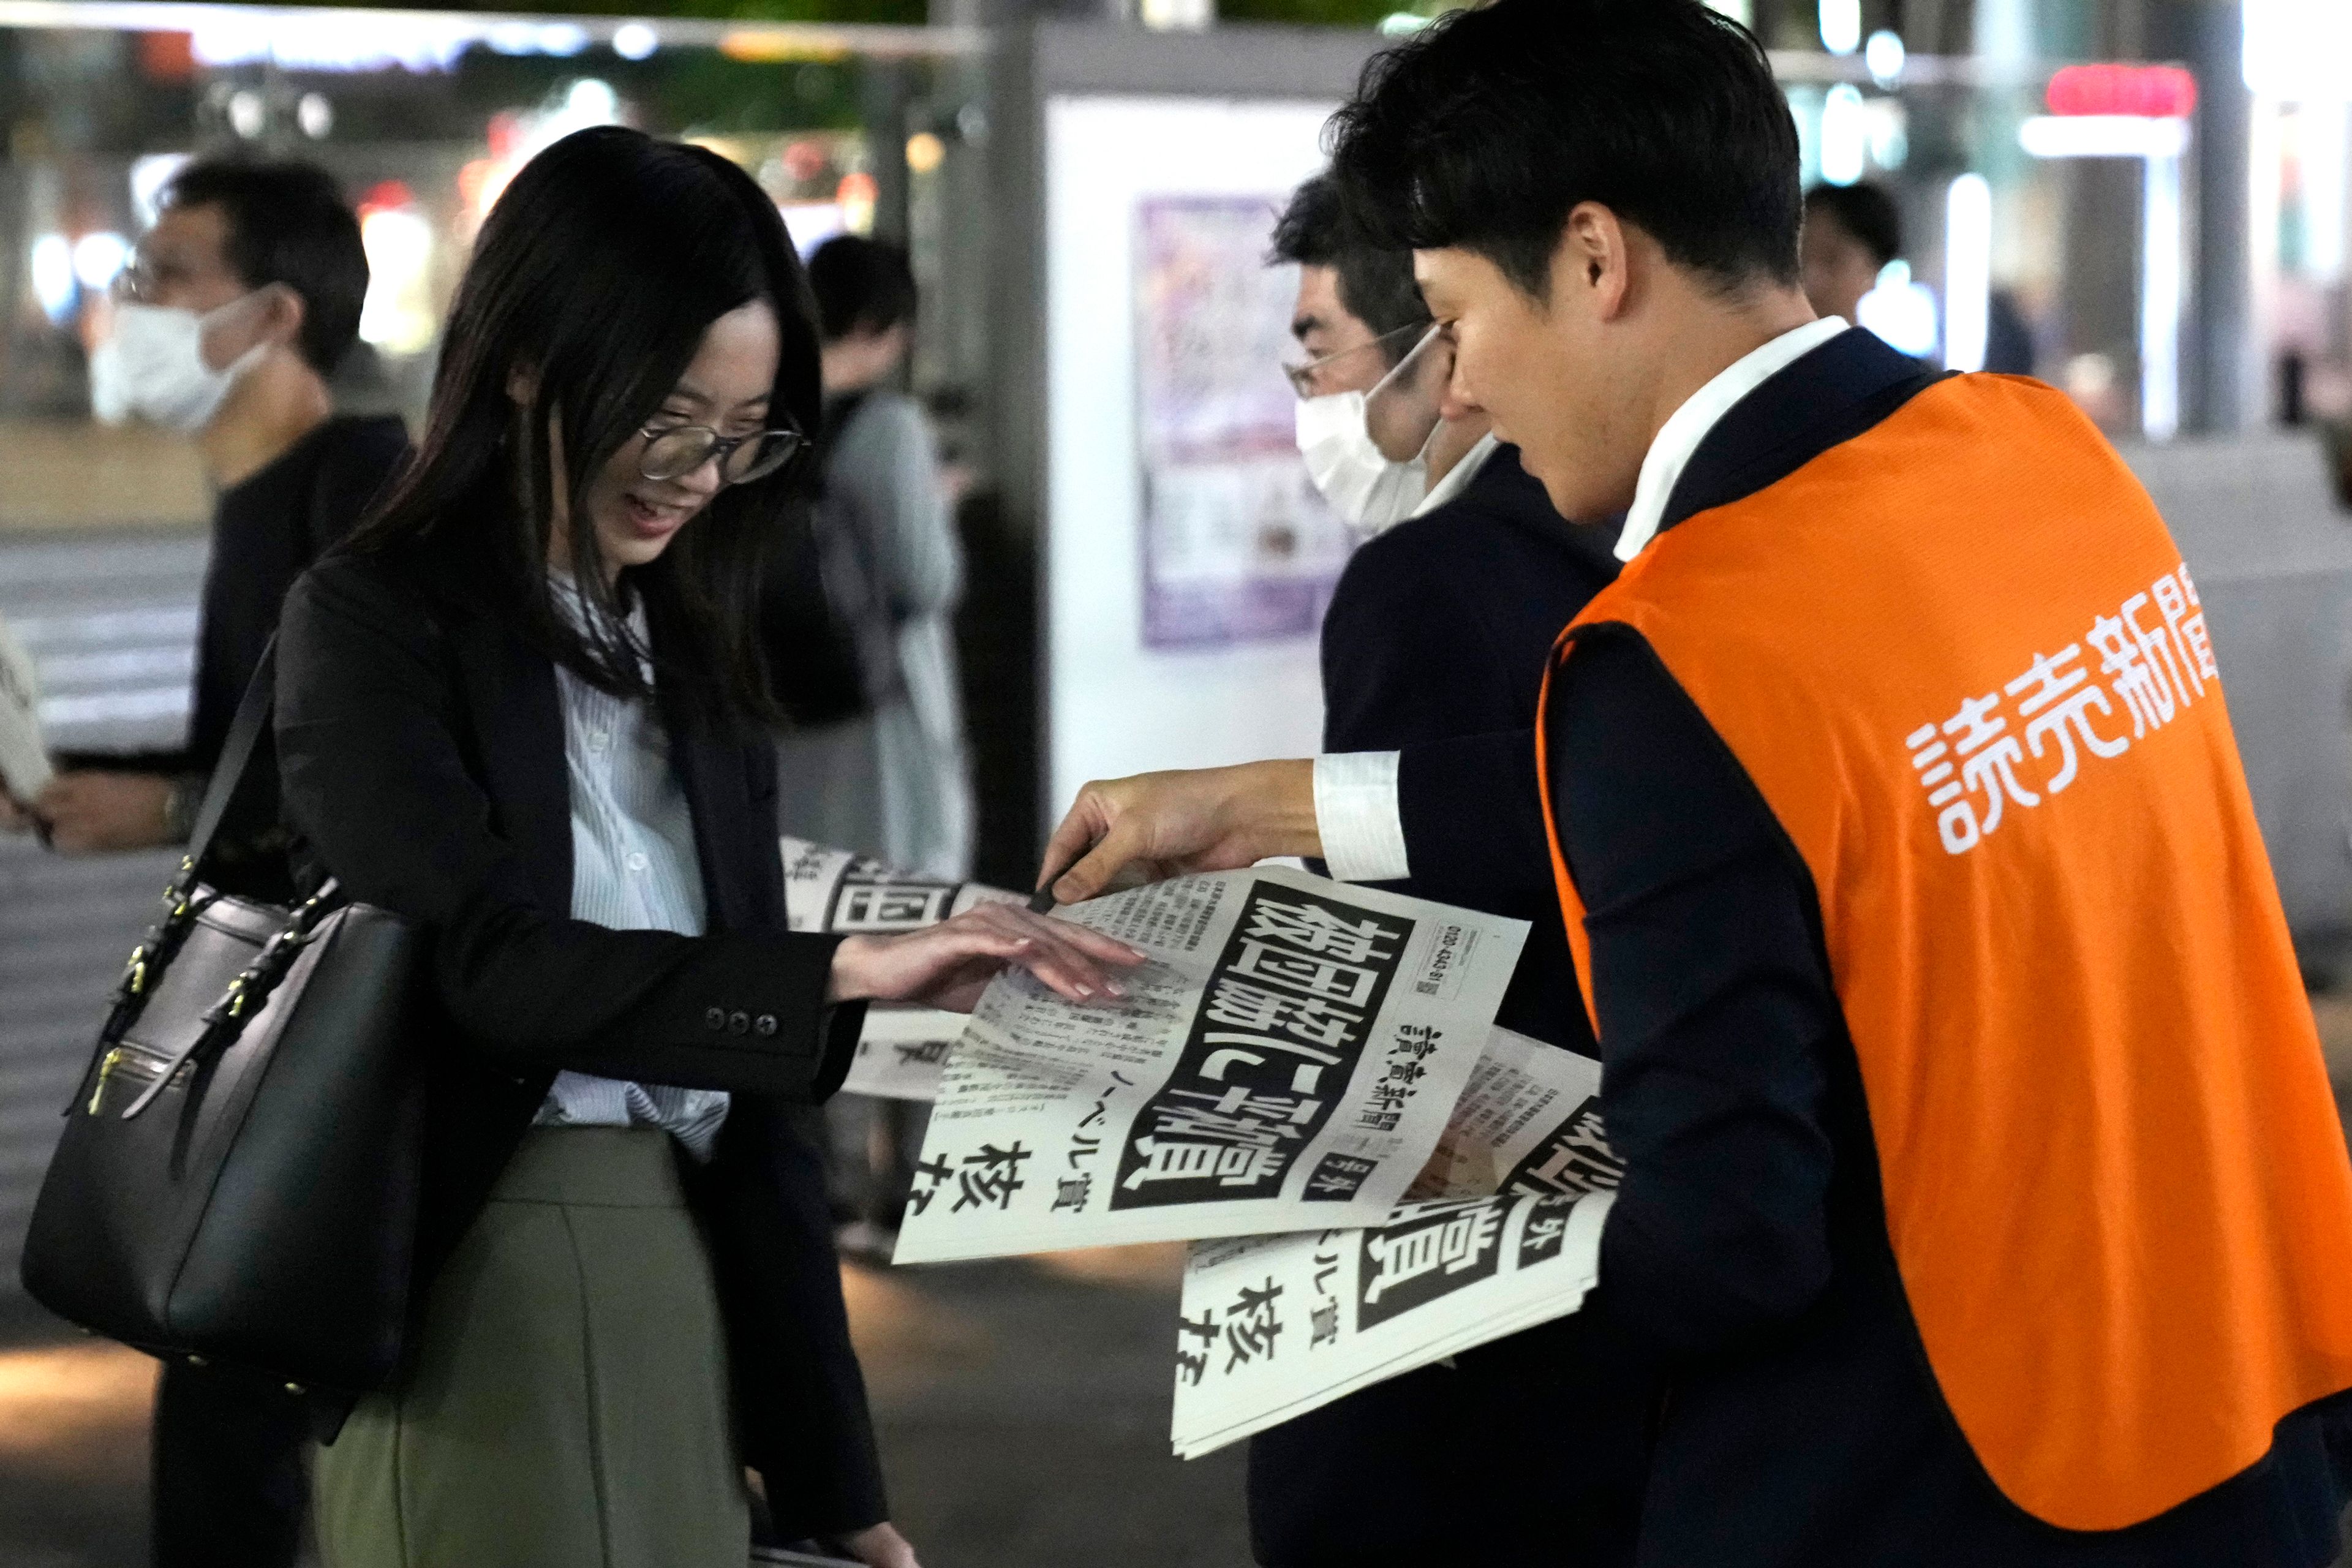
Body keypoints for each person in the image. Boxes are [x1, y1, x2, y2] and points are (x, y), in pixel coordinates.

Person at [1038, 3, 2352, 1564]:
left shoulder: (1676, 639)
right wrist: (1271, 804)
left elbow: (1724, 1239)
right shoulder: (2031, 455)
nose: (1455, 391)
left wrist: (1372, 1287)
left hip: (1934, 1478)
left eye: (1454, 320)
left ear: (1594, 259)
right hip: (2233, 1413)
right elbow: (1815, 799)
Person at [273, 126, 1139, 1568]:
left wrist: (831, 1479)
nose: (703, 471)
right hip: (478, 1287)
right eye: (672, 415)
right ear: (532, 359)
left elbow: (761, 1125)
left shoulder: (687, 644)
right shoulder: (373, 617)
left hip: (681, 1277)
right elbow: (486, 965)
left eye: (746, 432)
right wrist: (834, 973)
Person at [0, 157, 406, 1568]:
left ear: (272, 315)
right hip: (277, 1038)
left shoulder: (359, 482)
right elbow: (240, 741)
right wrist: (84, 783)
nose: (133, 306)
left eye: (168, 275)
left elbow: (370, 772)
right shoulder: (258, 501)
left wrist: (165, 806)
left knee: (243, 1425)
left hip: (338, 1044)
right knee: (229, 1408)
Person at [1248, 173, 1649, 1567]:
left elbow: (1409, 944)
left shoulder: (1424, 577)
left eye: (1318, 347)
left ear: (1436, 347)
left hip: (1477, 1247)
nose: (1305, 391)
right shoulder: (1614, 534)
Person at [775, 234, 972, 881]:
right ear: (872, 324)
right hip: (881, 710)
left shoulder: (765, 415)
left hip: (784, 706)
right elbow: (928, 580)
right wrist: (937, 501)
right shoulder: (889, 426)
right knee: (899, 895)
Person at [1798, 181, 1901, 330]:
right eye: (1801, 258)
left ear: (1874, 270)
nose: (1811, 278)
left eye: (1831, 260)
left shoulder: (1874, 353)